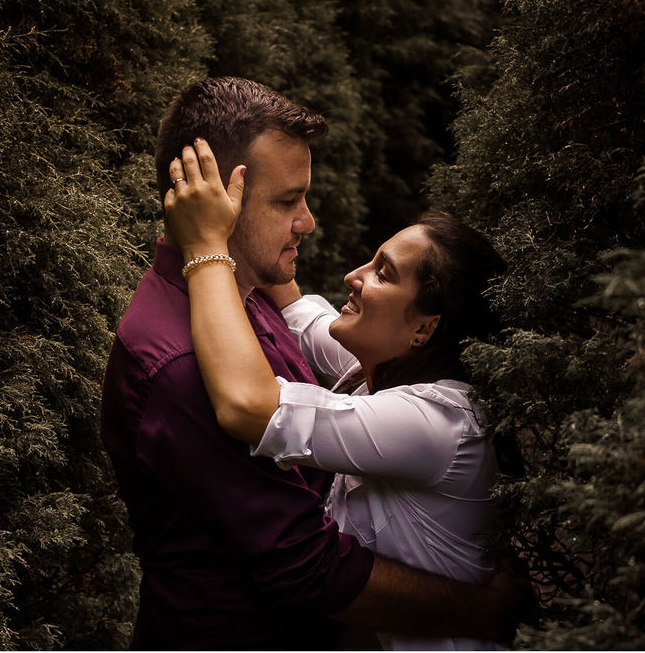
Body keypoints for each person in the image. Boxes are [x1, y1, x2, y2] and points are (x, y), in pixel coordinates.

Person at [100, 77, 519, 650]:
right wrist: (478, 612)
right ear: (218, 203)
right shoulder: (185, 362)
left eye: (304, 197)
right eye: (286, 200)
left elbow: (302, 318)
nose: (309, 221)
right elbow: (307, 566)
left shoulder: (247, 300)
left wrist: (226, 249)